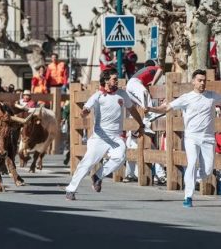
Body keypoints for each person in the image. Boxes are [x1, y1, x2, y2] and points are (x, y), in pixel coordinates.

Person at [65, 69, 145, 201]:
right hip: (100, 137)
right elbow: (86, 108)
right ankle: (71, 189)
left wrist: (141, 124)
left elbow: (132, 109)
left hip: (116, 136)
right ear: (106, 80)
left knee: (120, 157)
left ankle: (97, 176)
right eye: (114, 79)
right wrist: (84, 112)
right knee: (88, 162)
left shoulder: (122, 94)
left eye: (117, 78)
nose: (117, 81)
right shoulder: (98, 96)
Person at [147, 69, 220, 207]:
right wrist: (151, 109)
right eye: (199, 80)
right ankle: (188, 197)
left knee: (208, 171)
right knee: (192, 163)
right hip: (192, 137)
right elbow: (166, 108)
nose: (202, 83)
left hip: (208, 138)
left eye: (204, 80)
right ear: (193, 81)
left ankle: (191, 178)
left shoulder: (212, 96)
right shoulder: (187, 97)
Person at [126, 60, 164, 131]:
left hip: (129, 87)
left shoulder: (144, 72)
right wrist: (153, 82)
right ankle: (151, 113)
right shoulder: (151, 68)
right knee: (145, 92)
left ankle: (146, 124)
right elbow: (160, 70)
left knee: (143, 106)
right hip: (134, 82)